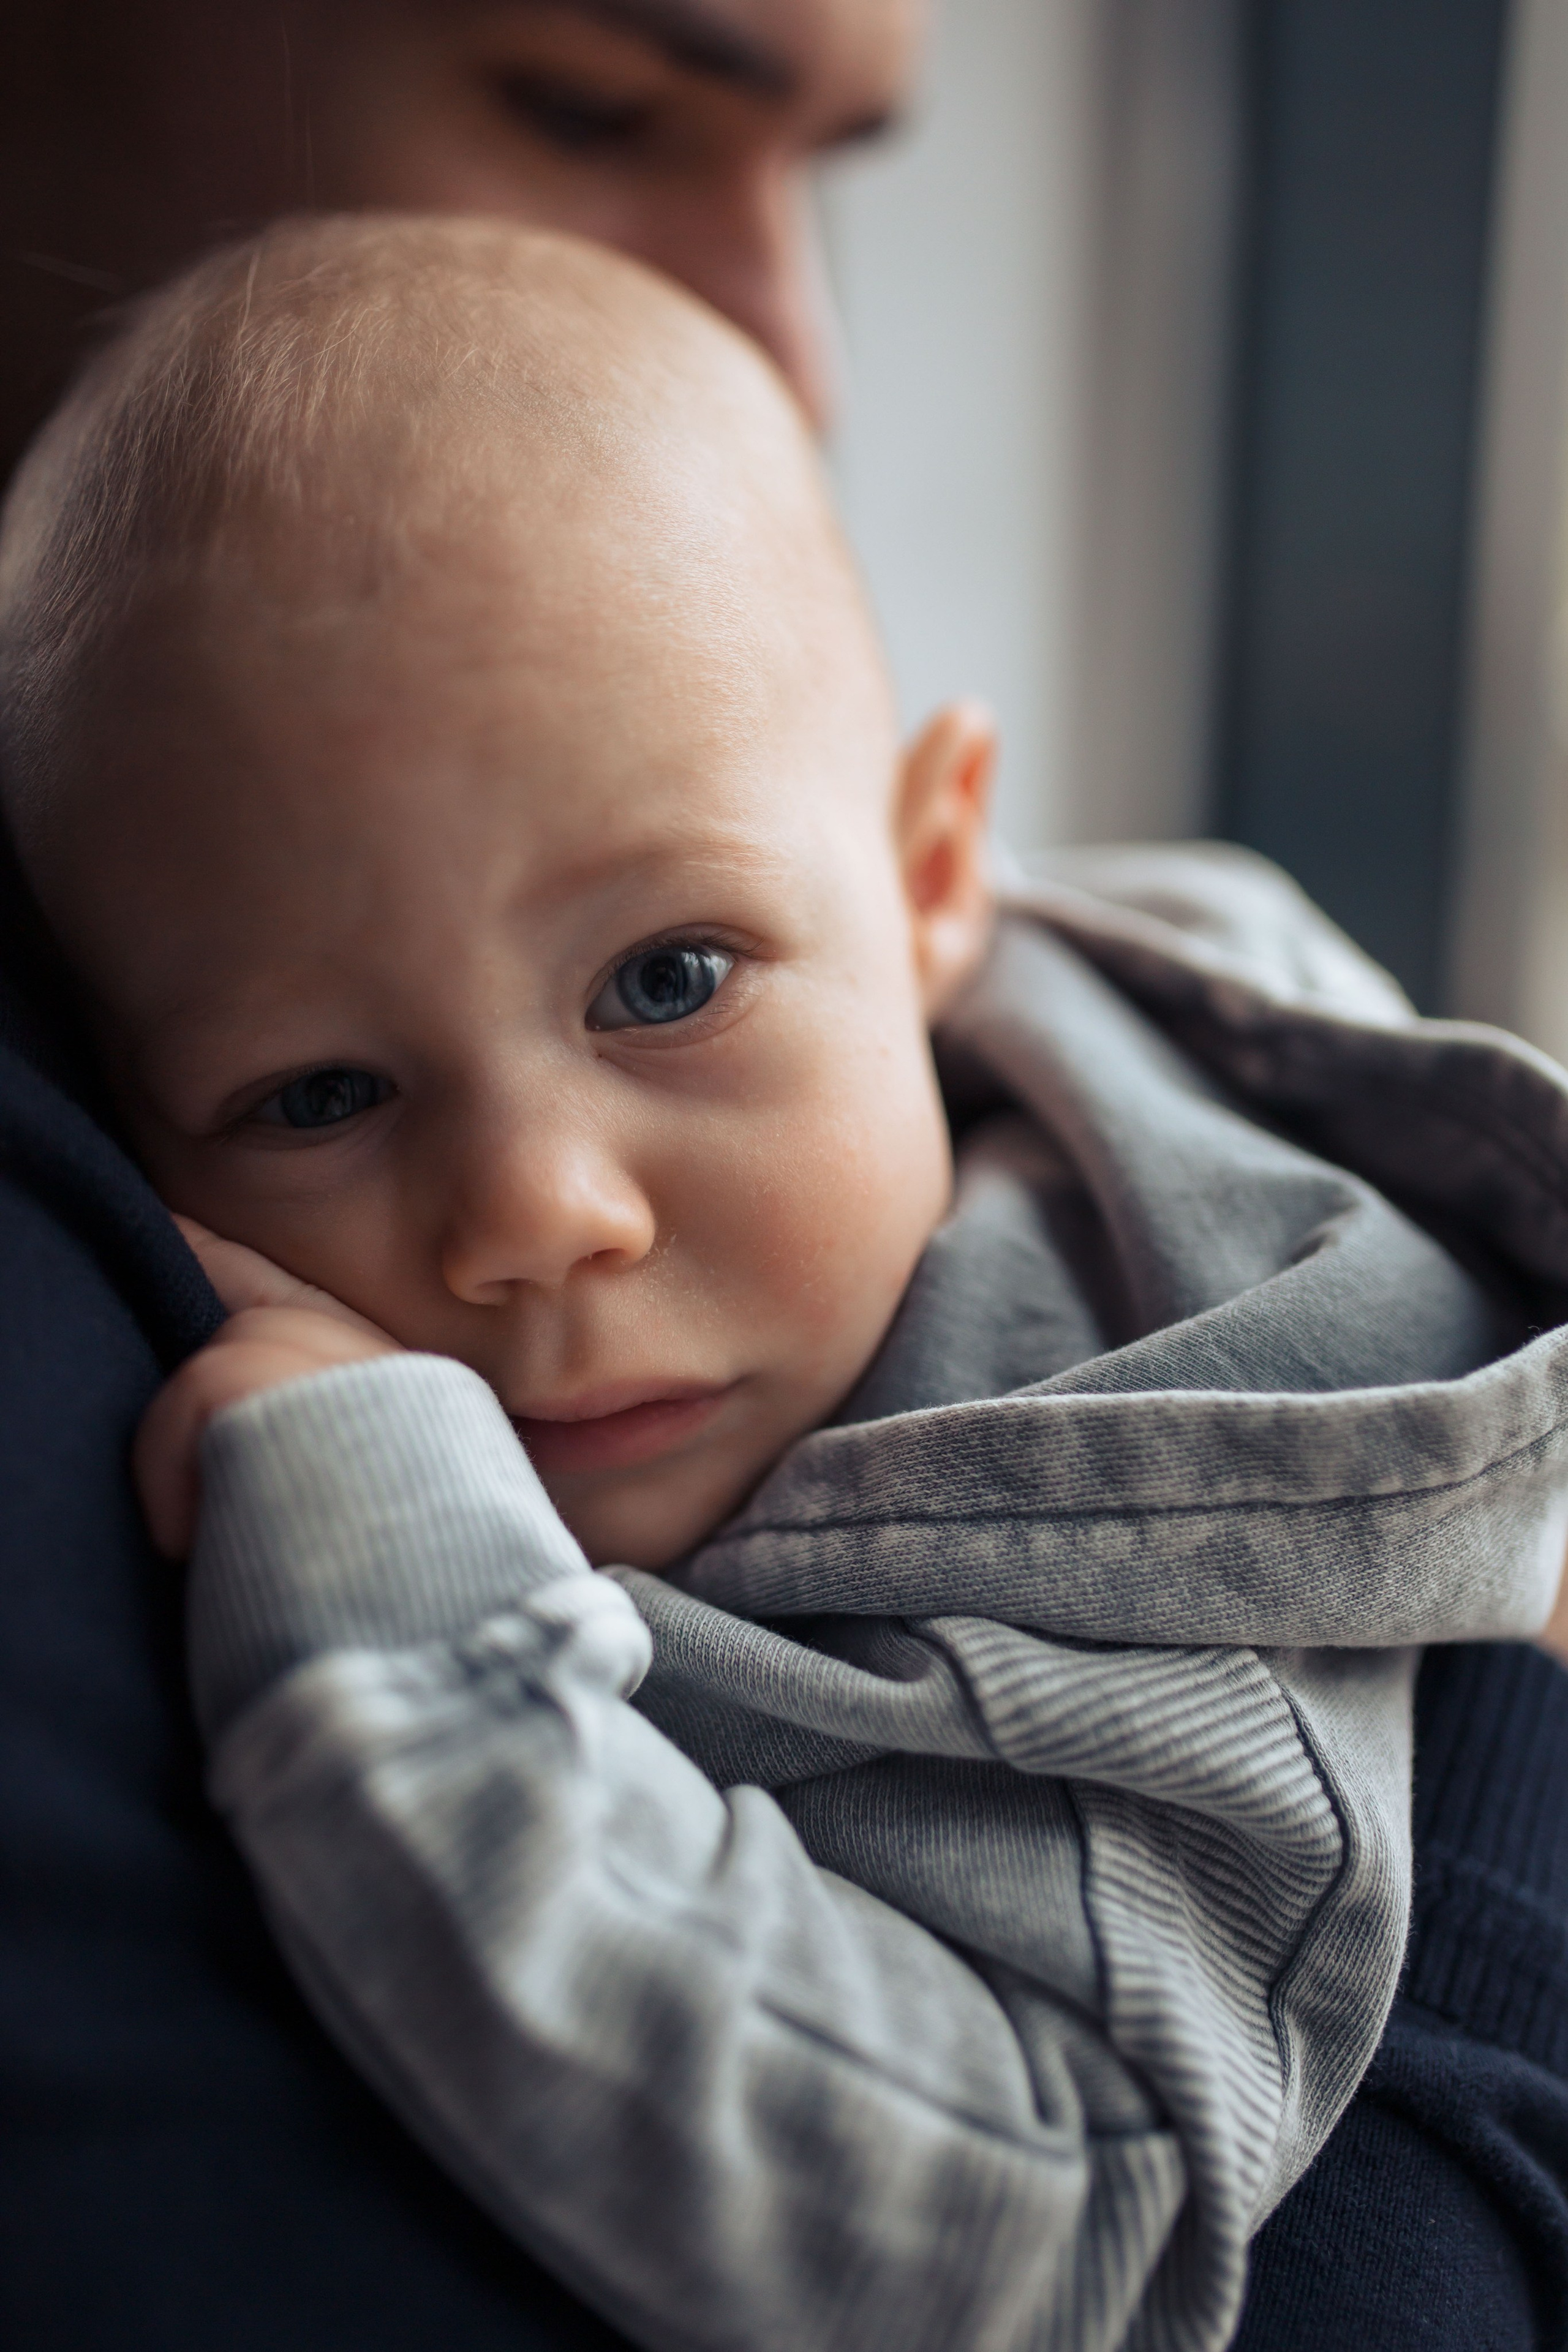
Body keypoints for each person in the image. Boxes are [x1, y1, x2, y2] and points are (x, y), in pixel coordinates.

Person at [0, 8, 1564, 2348]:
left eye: (670, 979)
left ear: (942, 873)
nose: (541, 1212)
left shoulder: (1089, 1567)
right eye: (317, 1095)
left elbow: (1043, 2239)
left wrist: (395, 1598)